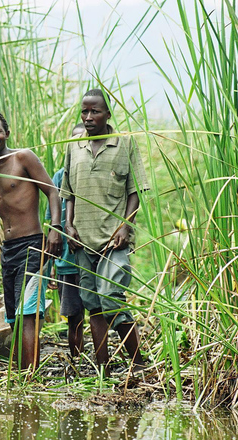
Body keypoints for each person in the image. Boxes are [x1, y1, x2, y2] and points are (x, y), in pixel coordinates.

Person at [60, 89, 148, 375]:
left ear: (108, 114)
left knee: (111, 297)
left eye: (94, 111)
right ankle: (103, 368)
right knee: (92, 303)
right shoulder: (74, 144)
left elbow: (135, 191)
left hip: (114, 239)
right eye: (84, 112)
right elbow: (68, 192)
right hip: (82, 239)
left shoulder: (124, 144)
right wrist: (68, 225)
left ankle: (138, 363)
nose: (88, 117)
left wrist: (125, 224)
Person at [0, 110, 62, 369]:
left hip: (32, 245)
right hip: (8, 251)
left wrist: (55, 228)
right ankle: (22, 372)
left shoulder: (23, 158)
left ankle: (29, 376)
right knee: (13, 316)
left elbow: (52, 191)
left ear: (6, 133)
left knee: (27, 312)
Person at [46, 124, 86, 358]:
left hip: (92, 259)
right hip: (66, 263)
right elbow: (52, 223)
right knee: (74, 319)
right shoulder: (60, 177)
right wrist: (50, 265)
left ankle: (103, 366)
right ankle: (77, 364)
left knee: (101, 312)